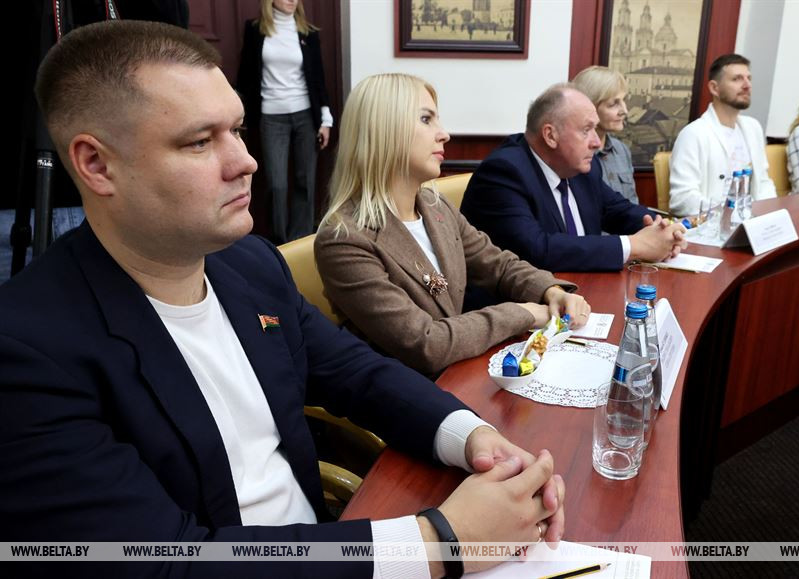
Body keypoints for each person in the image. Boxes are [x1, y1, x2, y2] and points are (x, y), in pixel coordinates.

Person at [0, 20, 567, 578]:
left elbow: (358, 374)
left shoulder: (249, 263)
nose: (245, 161)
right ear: (97, 164)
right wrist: (440, 541)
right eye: (199, 141)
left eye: (238, 130)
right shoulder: (27, 352)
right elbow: (165, 561)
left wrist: (476, 438)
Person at [314, 74, 591, 375]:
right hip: (405, 389)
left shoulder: (436, 207)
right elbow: (426, 343)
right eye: (426, 119)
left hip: (458, 371)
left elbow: (498, 265)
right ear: (384, 130)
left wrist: (551, 290)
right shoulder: (344, 240)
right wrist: (522, 313)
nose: (444, 134)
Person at [460, 83, 686, 273]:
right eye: (586, 130)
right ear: (550, 135)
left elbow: (617, 210)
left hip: (582, 290)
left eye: (595, 129)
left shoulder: (581, 167)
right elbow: (536, 250)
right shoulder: (503, 173)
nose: (596, 143)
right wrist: (634, 246)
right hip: (520, 304)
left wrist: (663, 231)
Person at [237, 0, 331, 243]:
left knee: (305, 181)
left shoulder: (308, 33)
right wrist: (238, 114)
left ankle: (301, 239)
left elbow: (318, 78)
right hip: (271, 116)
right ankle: (279, 242)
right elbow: (245, 74)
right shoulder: (255, 30)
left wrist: (325, 120)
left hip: (306, 116)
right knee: (276, 184)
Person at [668, 53, 777, 217]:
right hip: (712, 225)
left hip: (752, 221)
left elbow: (763, 182)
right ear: (714, 88)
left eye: (749, 78)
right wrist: (728, 213)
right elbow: (682, 200)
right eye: (737, 79)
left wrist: (771, 215)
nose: (747, 85)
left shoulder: (753, 128)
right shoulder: (693, 134)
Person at [571, 66, 638, 204]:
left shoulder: (622, 150)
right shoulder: (573, 153)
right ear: (589, 106)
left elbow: (632, 204)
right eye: (613, 104)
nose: (624, 111)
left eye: (624, 100)